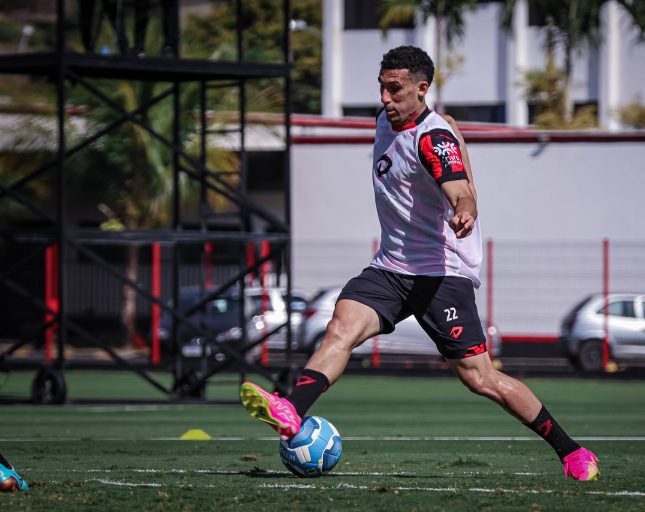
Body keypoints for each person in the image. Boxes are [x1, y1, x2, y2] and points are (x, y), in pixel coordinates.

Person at [240, 45, 599, 481]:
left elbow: (461, 188)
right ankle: (291, 411)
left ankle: (572, 451)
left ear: (421, 89)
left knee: (481, 379)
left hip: (441, 274)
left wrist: (465, 208)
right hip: (392, 267)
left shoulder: (433, 138)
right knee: (340, 327)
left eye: (395, 90)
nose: (386, 98)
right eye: (382, 89)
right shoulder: (386, 121)